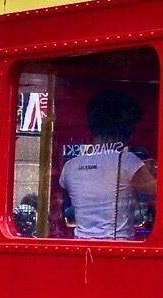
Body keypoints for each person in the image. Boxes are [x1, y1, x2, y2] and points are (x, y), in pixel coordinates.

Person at [57, 89, 156, 241]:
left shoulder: (70, 166)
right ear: (126, 128)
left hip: (82, 244)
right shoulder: (127, 161)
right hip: (118, 246)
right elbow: (159, 191)